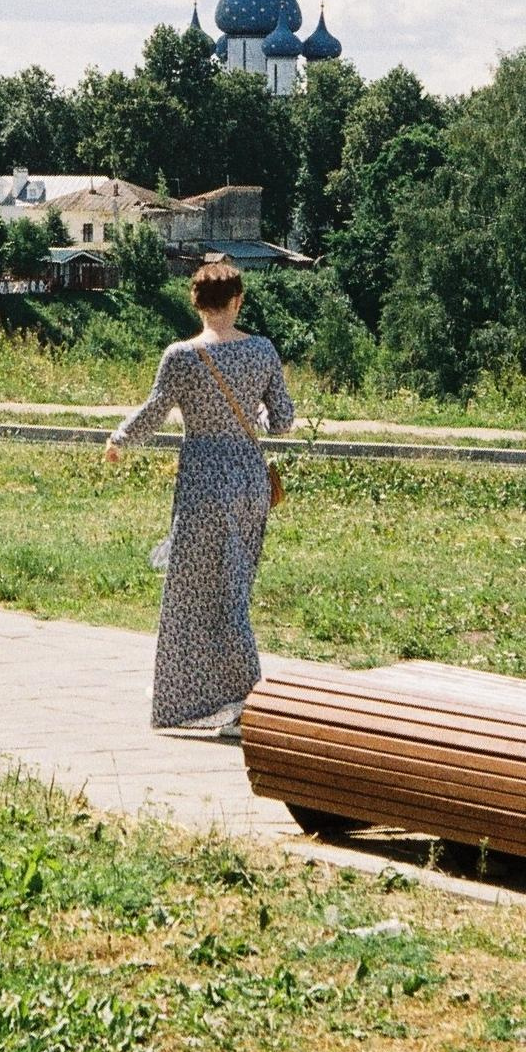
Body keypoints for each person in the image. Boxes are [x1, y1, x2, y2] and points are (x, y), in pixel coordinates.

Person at [105, 254, 296, 737]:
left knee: (193, 592)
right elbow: (284, 420)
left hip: (204, 483)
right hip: (249, 481)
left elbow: (154, 411)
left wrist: (119, 440)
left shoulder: (182, 356)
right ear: (238, 300)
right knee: (234, 589)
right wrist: (251, 420)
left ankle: (235, 697)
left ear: (196, 303)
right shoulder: (263, 351)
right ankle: (224, 696)